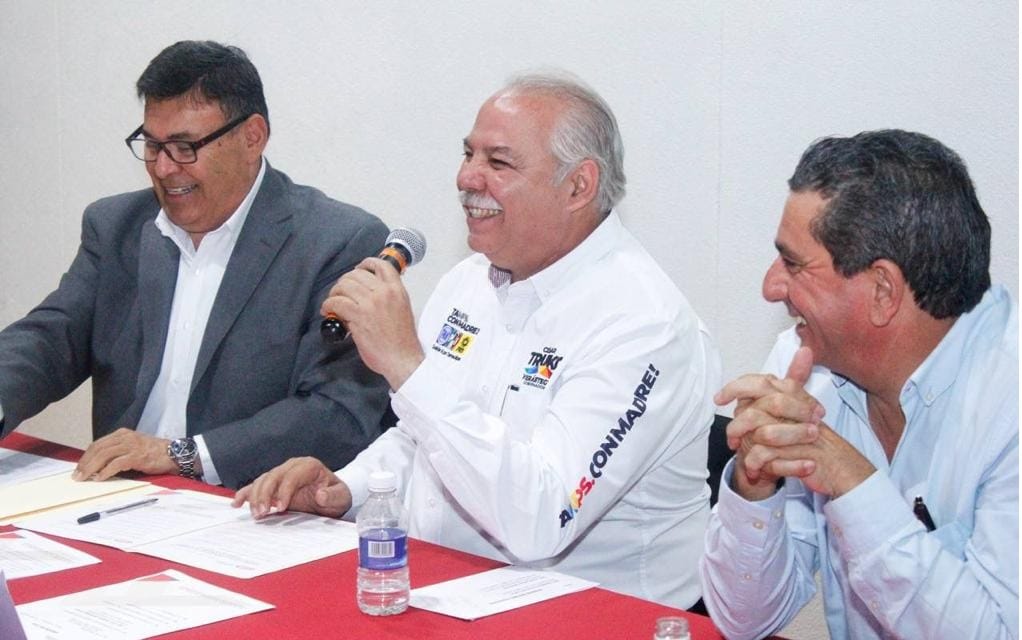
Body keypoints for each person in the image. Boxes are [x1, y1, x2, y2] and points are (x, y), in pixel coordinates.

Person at [234, 72, 721, 609]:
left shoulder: (644, 325)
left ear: (578, 186)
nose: (466, 177)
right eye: (468, 154)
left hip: (601, 615)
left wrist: (408, 369)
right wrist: (346, 489)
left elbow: (541, 519)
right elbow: (421, 439)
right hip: (451, 593)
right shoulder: (468, 282)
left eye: (499, 162)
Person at [0, 41, 393, 490]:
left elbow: (337, 410)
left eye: (185, 147)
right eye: (152, 145)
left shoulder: (336, 242)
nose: (164, 168)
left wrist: (183, 456)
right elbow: (51, 338)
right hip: (116, 496)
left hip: (246, 504)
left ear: (252, 137)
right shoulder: (116, 227)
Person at [701, 130, 1018, 638]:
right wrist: (755, 483)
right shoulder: (806, 364)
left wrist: (854, 485)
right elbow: (745, 621)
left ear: (883, 290)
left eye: (793, 263)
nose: (770, 287)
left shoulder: (1009, 399)